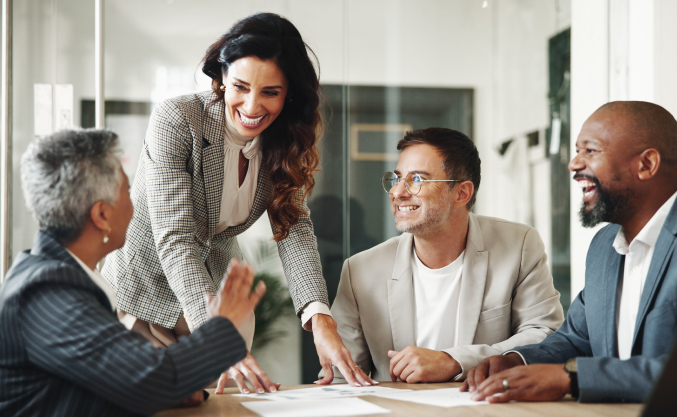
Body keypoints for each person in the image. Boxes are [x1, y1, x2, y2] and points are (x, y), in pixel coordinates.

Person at [102, 12, 373, 392]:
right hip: (144, 295)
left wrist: (319, 317)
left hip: (221, 301)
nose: (252, 106)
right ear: (222, 78)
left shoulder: (284, 139)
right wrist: (215, 336)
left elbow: (292, 225)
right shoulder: (178, 119)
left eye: (270, 93)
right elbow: (176, 239)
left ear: (289, 93)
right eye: (241, 87)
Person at [462, 101, 677, 403]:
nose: (574, 164)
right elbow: (577, 339)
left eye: (590, 151)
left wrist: (571, 380)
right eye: (577, 151)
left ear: (647, 164)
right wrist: (516, 360)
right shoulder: (605, 244)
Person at [0, 129, 265, 417]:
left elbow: (123, 378)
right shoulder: (44, 292)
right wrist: (222, 326)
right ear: (102, 215)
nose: (136, 203)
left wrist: (181, 389)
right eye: (127, 191)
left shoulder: (67, 281)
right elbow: (148, 380)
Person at [328, 128, 564, 383]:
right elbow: (342, 376)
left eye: (417, 179)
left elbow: (545, 335)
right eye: (396, 178)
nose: (397, 192)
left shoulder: (519, 246)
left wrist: (454, 361)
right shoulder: (360, 270)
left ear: (462, 193)